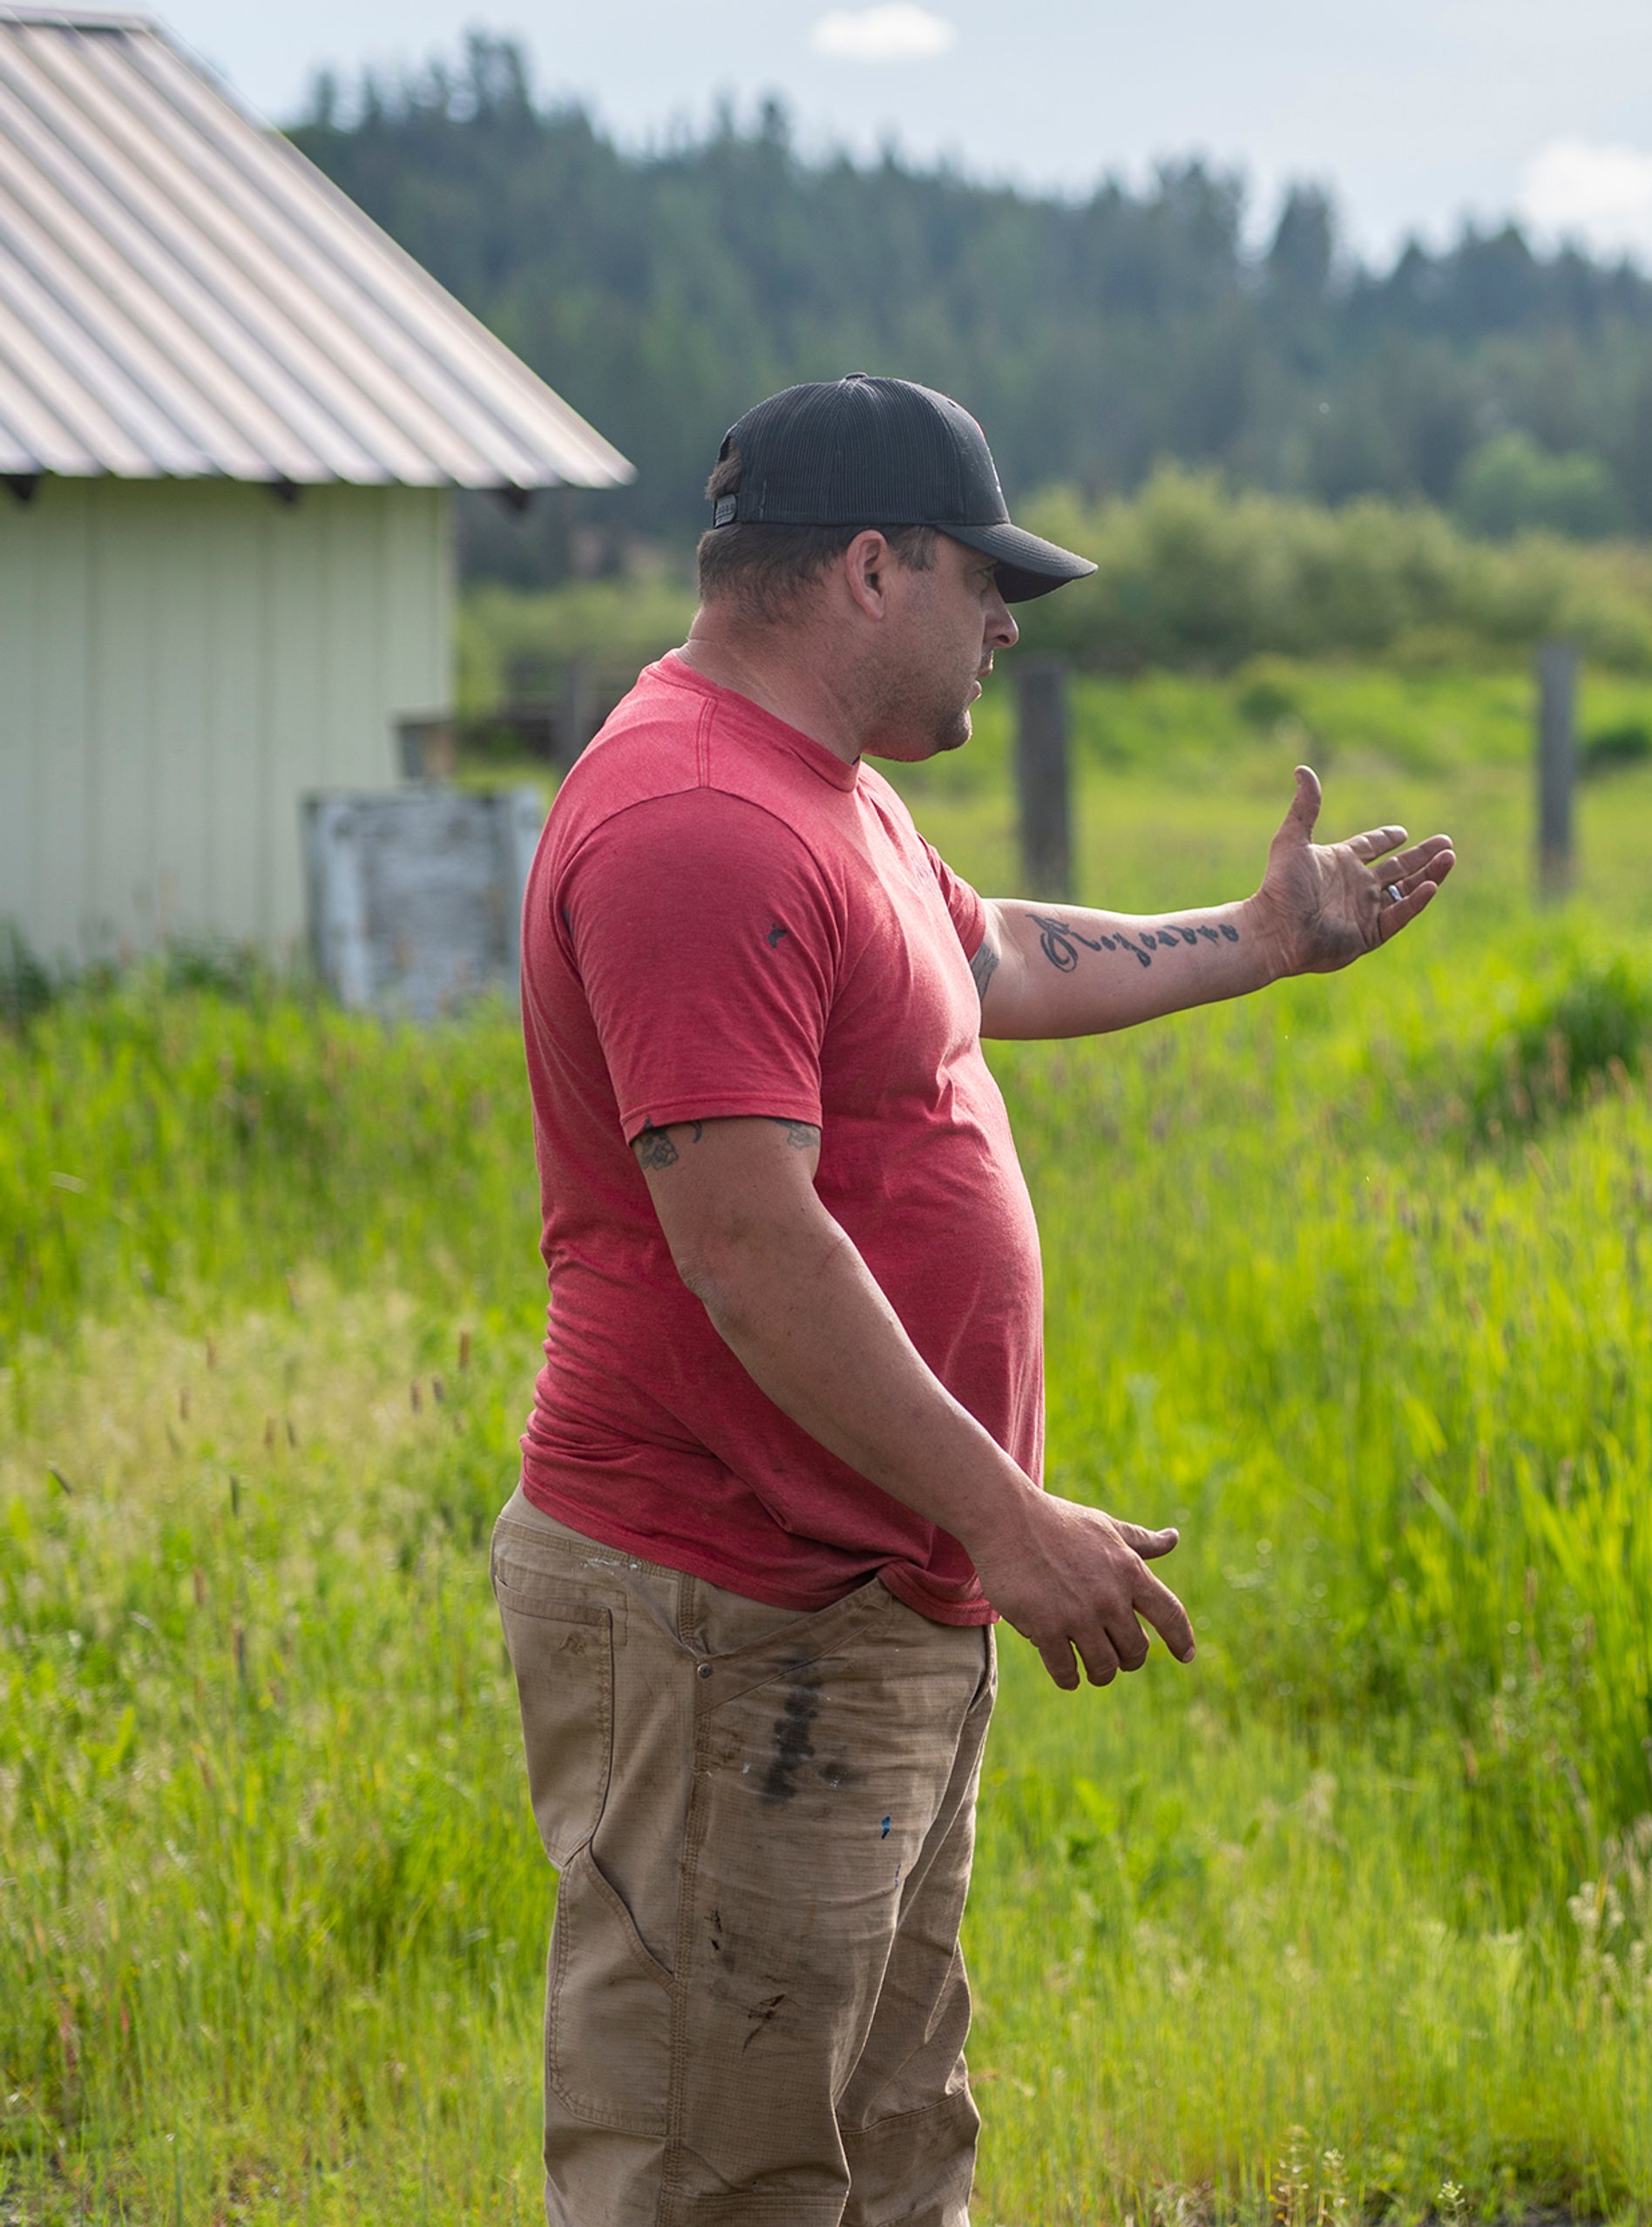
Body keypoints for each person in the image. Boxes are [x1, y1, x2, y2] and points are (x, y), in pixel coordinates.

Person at [489, 374, 1453, 2225]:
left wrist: (1263, 942)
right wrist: (1007, 1519)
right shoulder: (701, 823)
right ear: (871, 566)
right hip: (733, 1607)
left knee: (883, 2136)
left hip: (861, 1597)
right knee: (724, 2167)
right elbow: (751, 1251)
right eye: (984, 580)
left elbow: (987, 951)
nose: (1005, 623)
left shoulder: (816, 795)